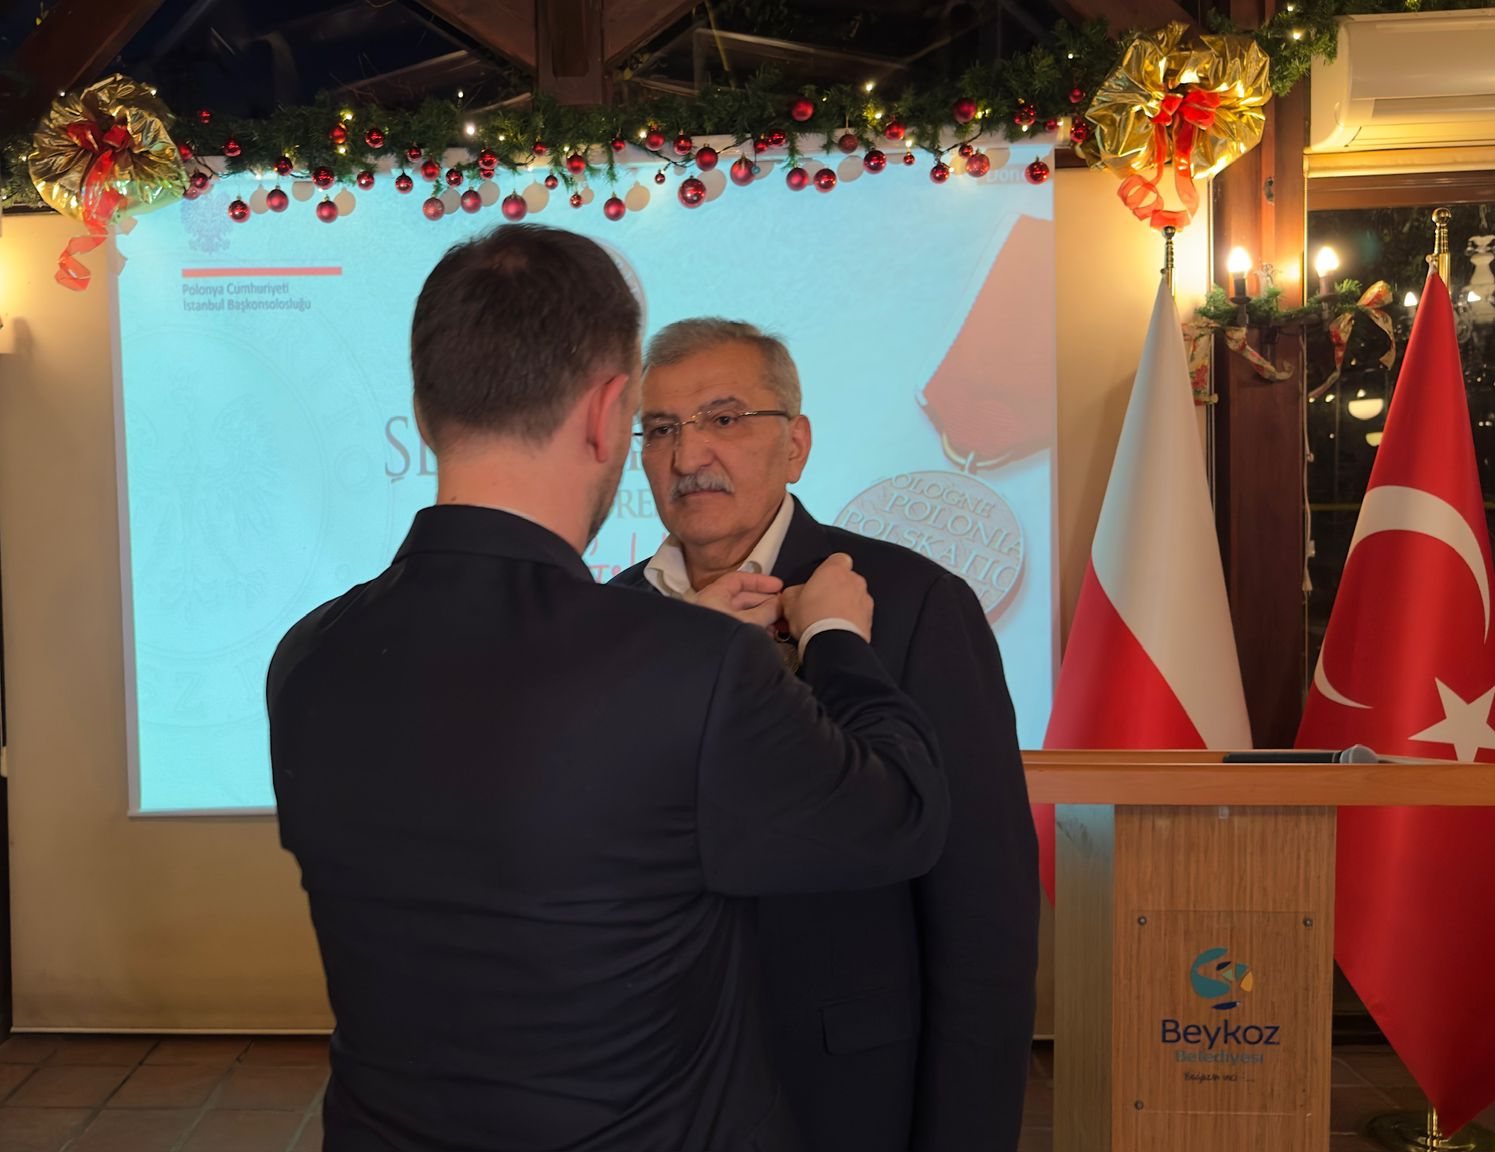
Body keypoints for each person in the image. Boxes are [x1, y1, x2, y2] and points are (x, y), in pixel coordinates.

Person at [267, 226, 950, 1152]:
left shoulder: (308, 656)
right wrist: (833, 638)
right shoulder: (693, 665)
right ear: (606, 415)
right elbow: (901, 816)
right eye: (655, 425)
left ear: (425, 416)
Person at [613, 318, 1039, 1152]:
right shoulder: (609, 619)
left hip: (840, 1090)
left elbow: (982, 907)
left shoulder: (912, 603)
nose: (688, 453)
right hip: (639, 1088)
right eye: (660, 429)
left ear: (796, 445)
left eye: (724, 418)